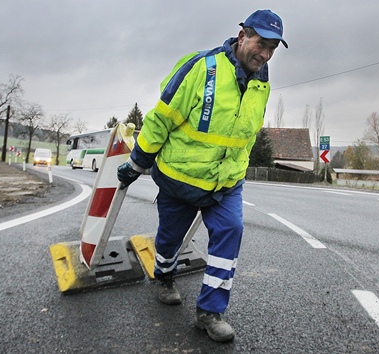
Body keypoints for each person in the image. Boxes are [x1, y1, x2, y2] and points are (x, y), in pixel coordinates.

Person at [117, 9, 287, 342]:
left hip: (225, 183)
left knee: (231, 231)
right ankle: (164, 275)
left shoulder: (262, 84)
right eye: (261, 44)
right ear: (242, 36)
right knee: (169, 240)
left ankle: (209, 312)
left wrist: (235, 174)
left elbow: (246, 135)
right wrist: (137, 163)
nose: (265, 54)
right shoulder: (201, 67)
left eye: (272, 49)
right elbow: (161, 118)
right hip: (179, 179)